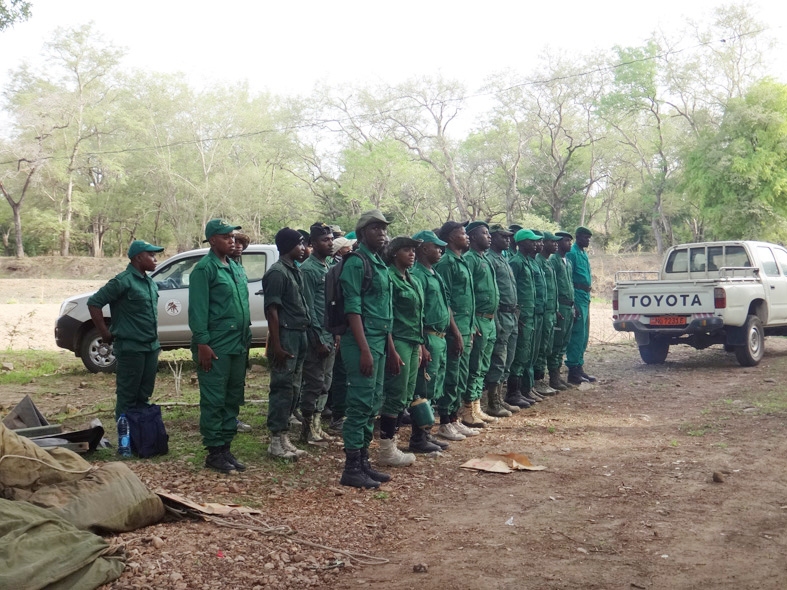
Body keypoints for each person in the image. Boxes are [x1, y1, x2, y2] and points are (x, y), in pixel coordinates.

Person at [188, 219, 251, 474]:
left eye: (233, 236)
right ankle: (214, 451)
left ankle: (226, 447)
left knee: (233, 397)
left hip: (238, 344)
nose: (232, 240)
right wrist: (202, 342)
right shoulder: (205, 270)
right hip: (216, 345)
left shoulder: (235, 267)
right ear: (212, 240)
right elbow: (198, 310)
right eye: (226, 237)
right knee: (214, 398)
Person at [339, 210, 393, 489]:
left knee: (373, 402)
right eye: (375, 228)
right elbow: (353, 309)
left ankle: (363, 462)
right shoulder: (356, 263)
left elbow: (386, 312)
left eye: (384, 228)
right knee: (359, 404)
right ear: (361, 234)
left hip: (379, 341)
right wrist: (364, 350)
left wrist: (390, 349)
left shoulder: (378, 263)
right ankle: (351, 468)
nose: (382, 233)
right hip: (362, 342)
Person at [88, 240, 165, 422]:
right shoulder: (122, 281)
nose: (155, 260)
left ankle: (141, 435)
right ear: (138, 257)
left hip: (151, 347)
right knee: (127, 395)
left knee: (144, 394)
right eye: (151, 255)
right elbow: (94, 303)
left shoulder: (149, 282)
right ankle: (126, 442)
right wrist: (105, 333)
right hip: (131, 348)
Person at [261, 228, 311, 460]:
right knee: (282, 387)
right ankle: (276, 439)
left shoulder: (295, 270)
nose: (303, 248)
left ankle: (284, 438)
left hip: (299, 334)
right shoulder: (277, 273)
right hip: (286, 336)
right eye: (299, 244)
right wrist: (277, 346)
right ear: (288, 246)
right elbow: (272, 311)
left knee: (294, 386)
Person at [380, 236, 427, 465]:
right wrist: (391, 349)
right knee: (395, 394)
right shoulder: (389, 277)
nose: (412, 254)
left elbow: (418, 317)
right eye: (406, 250)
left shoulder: (413, 279)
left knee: (405, 396)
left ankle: (394, 444)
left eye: (413, 250)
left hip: (412, 341)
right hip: (397, 341)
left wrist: (420, 345)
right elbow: (387, 316)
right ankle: (386, 448)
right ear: (394, 253)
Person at [434, 221, 479, 439]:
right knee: (451, 376)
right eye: (463, 233)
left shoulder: (461, 261)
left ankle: (454, 418)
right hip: (454, 330)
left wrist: (471, 326)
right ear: (451, 237)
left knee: (461, 376)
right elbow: (447, 301)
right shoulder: (446, 263)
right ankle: (444, 421)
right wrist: (456, 331)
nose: (467, 236)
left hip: (465, 327)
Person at [411, 230, 454, 447]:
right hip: (428, 336)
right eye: (436, 246)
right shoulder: (418, 274)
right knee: (423, 388)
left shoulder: (434, 273)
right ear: (424, 248)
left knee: (435, 385)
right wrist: (421, 344)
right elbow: (416, 312)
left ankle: (427, 432)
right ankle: (418, 437)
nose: (440, 250)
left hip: (440, 336)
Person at [299, 223, 337, 445]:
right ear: (312, 244)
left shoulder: (329, 266)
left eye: (331, 239)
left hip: (331, 333)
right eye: (325, 240)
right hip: (317, 336)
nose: (330, 243)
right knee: (314, 382)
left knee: (326, 383)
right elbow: (309, 307)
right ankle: (306, 429)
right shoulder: (308, 269)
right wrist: (318, 338)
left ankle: (317, 423)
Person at [462, 221, 500, 427]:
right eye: (484, 233)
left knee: (483, 366)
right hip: (478, 319)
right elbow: (467, 293)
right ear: (473, 237)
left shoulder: (483, 258)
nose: (489, 236)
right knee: (474, 365)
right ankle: (467, 409)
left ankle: (477, 406)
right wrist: (472, 320)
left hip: (490, 320)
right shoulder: (470, 259)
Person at [484, 224, 521, 417]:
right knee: (498, 358)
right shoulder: (490, 258)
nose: (507, 240)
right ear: (492, 237)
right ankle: (492, 402)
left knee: (508, 358)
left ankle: (499, 397)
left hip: (511, 314)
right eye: (503, 237)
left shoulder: (503, 258)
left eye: (508, 237)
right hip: (500, 314)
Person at [507, 229, 540, 409]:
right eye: (531, 241)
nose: (535, 244)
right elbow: (512, 290)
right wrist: (517, 315)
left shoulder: (528, 261)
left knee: (527, 352)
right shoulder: (516, 262)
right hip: (522, 315)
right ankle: (513, 393)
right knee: (519, 353)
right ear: (521, 243)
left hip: (531, 313)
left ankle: (522, 390)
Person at [565, 226, 597, 384]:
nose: (588, 240)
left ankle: (579, 366)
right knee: (577, 334)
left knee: (584, 335)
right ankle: (572, 370)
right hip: (577, 295)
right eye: (585, 237)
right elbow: (568, 278)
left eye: (589, 238)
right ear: (578, 237)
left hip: (585, 295)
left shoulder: (583, 253)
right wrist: (573, 302)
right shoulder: (572, 253)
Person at [229, 233, 253, 433]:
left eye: (241, 244)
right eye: (235, 243)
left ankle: (233, 418)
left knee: (237, 382)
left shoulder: (238, 268)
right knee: (223, 383)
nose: (238, 246)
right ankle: (224, 421)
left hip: (242, 334)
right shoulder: (218, 267)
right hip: (224, 336)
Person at [533, 232, 562, 396]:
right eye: (552, 241)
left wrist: (555, 308)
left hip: (551, 310)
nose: (555, 244)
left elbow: (552, 288)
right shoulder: (538, 261)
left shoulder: (548, 262)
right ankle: (538, 381)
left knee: (547, 347)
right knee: (541, 347)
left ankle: (542, 380)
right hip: (542, 312)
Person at [548, 231, 575, 390]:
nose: (568, 244)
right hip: (560, 306)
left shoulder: (568, 262)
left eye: (570, 241)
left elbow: (570, 284)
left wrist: (574, 305)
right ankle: (553, 378)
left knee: (564, 342)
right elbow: (553, 286)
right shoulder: (554, 261)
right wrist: (556, 307)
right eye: (566, 241)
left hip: (569, 306)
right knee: (557, 342)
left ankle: (557, 376)